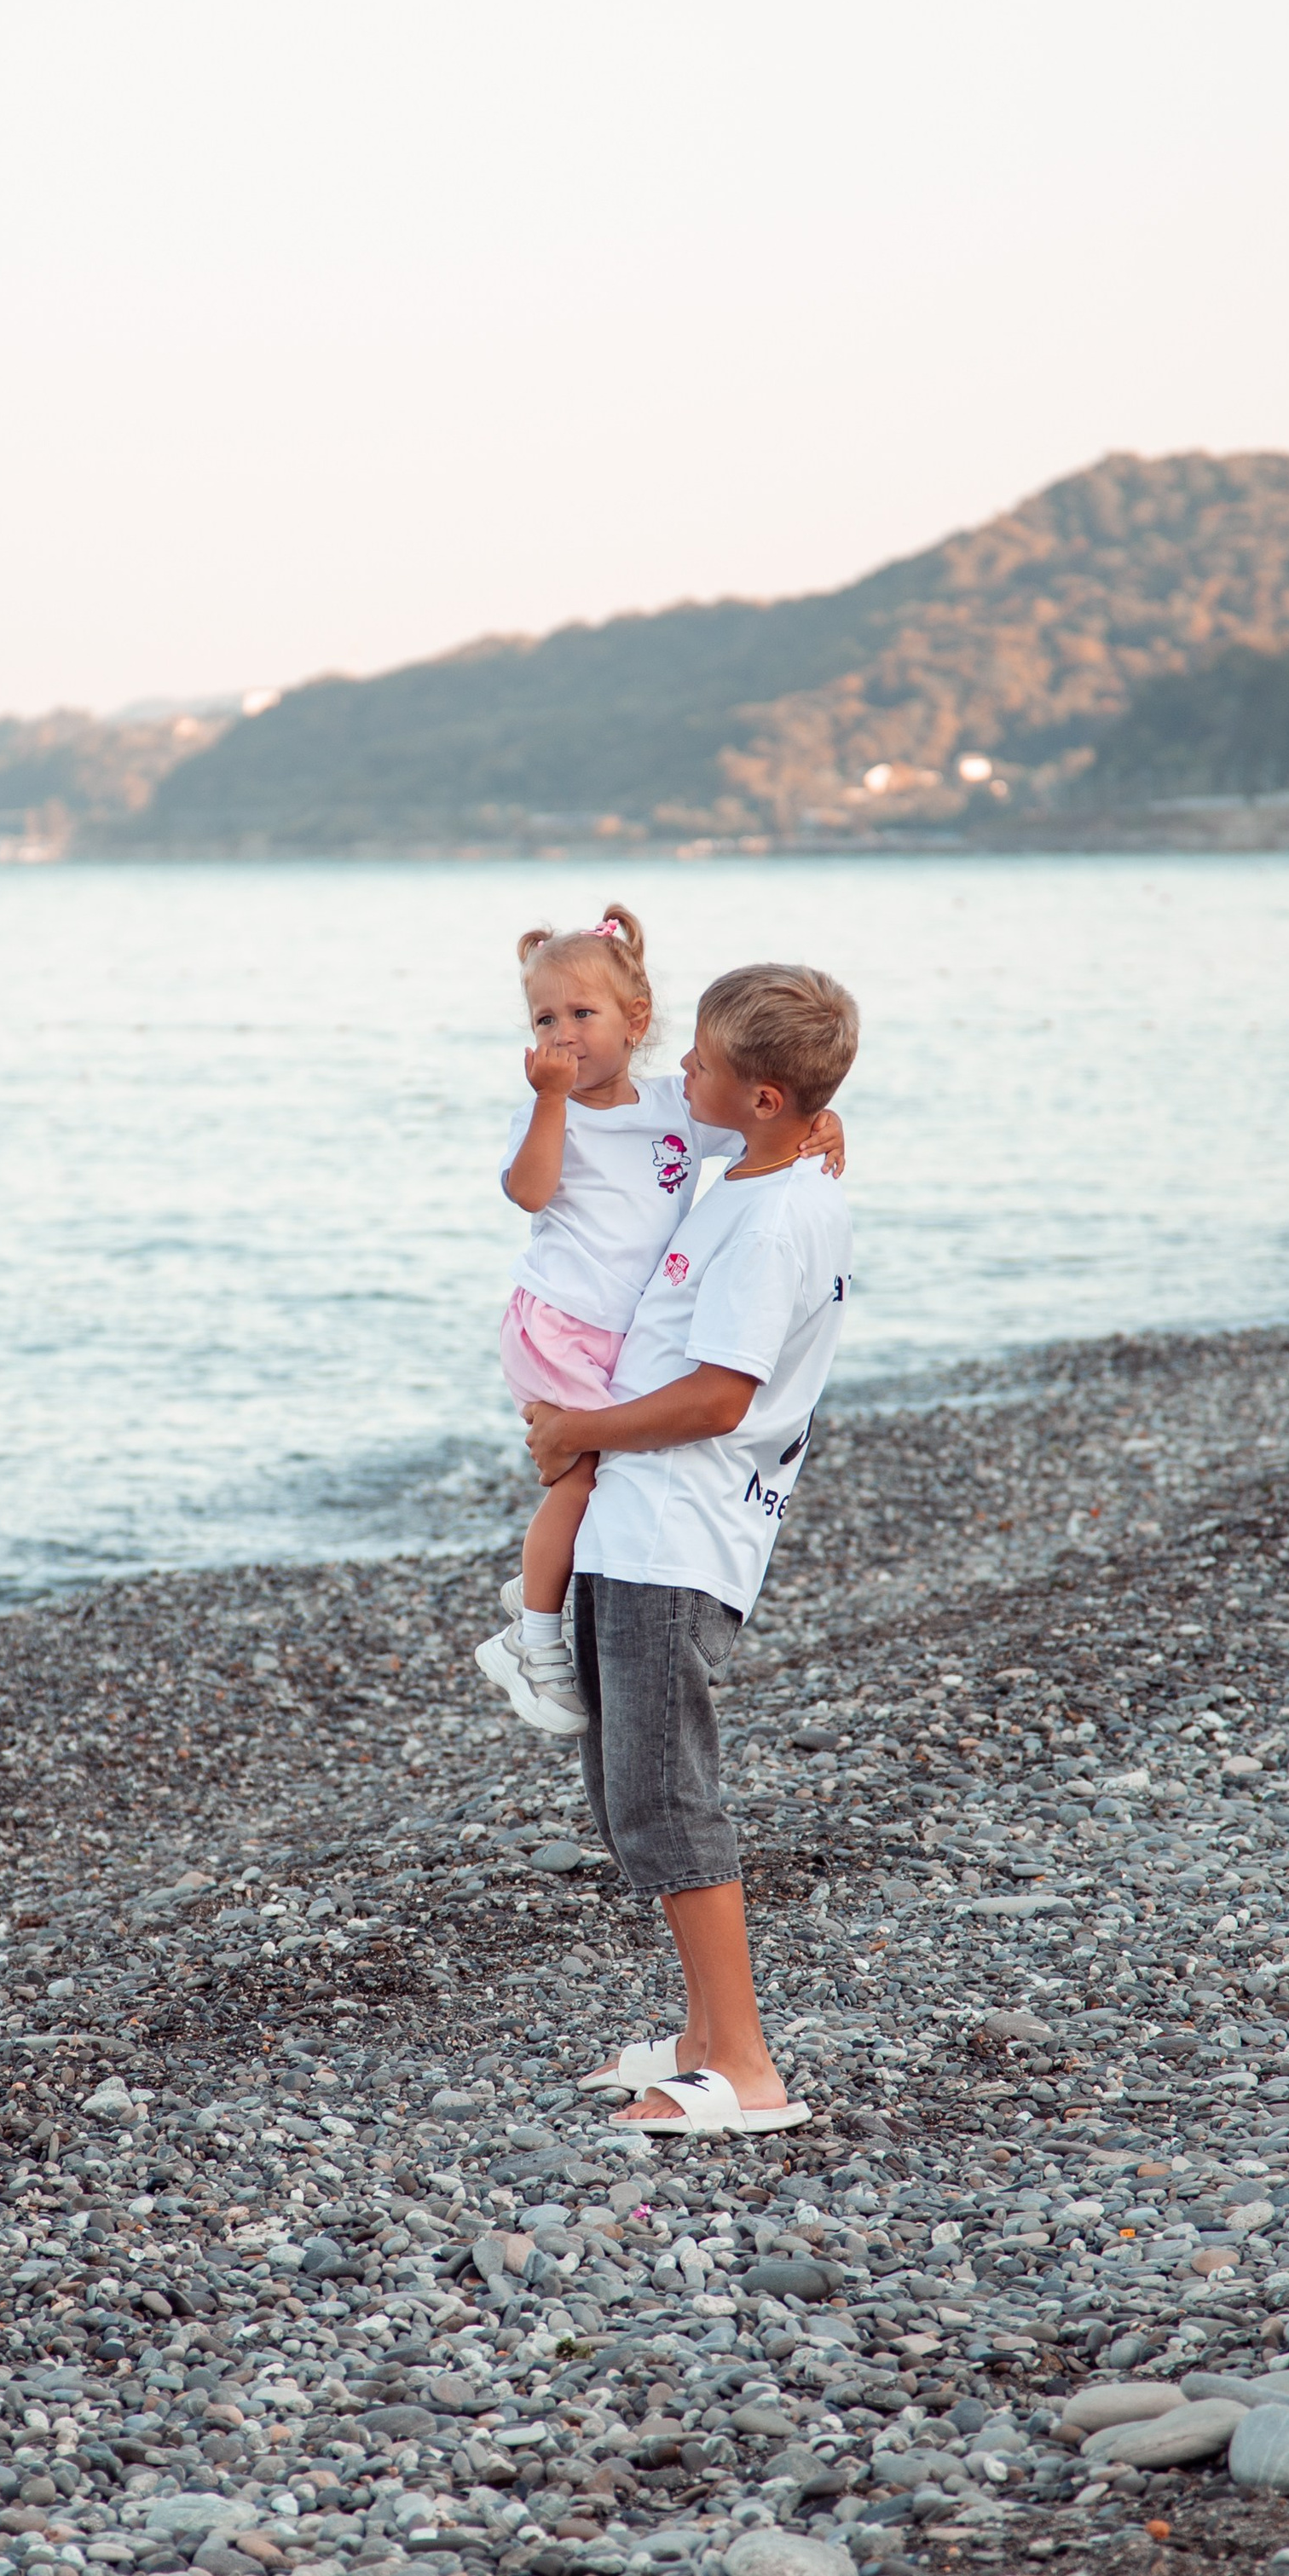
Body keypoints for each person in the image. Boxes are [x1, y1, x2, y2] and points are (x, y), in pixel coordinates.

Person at [521, 961, 858, 2139]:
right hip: (639, 1522)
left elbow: (720, 1396)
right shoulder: (758, 1172)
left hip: (680, 1531)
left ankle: (749, 2070)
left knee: (667, 1797)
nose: (682, 1076)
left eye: (703, 1064)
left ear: (761, 1096)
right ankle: (703, 2038)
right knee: (629, 1792)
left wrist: (577, 1429)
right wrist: (823, 1121)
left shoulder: (774, 1214)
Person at [478, 906, 840, 1739]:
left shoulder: (675, 1104)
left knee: (603, 1473)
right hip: (559, 1324)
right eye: (544, 1019)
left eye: (581, 1014)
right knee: (577, 1471)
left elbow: (759, 1120)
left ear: (635, 1021)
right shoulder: (550, 1113)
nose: (563, 1034)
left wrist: (819, 1119)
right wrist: (547, 1104)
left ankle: (541, 1581)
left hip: (618, 1331)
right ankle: (528, 1638)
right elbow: (527, 1193)